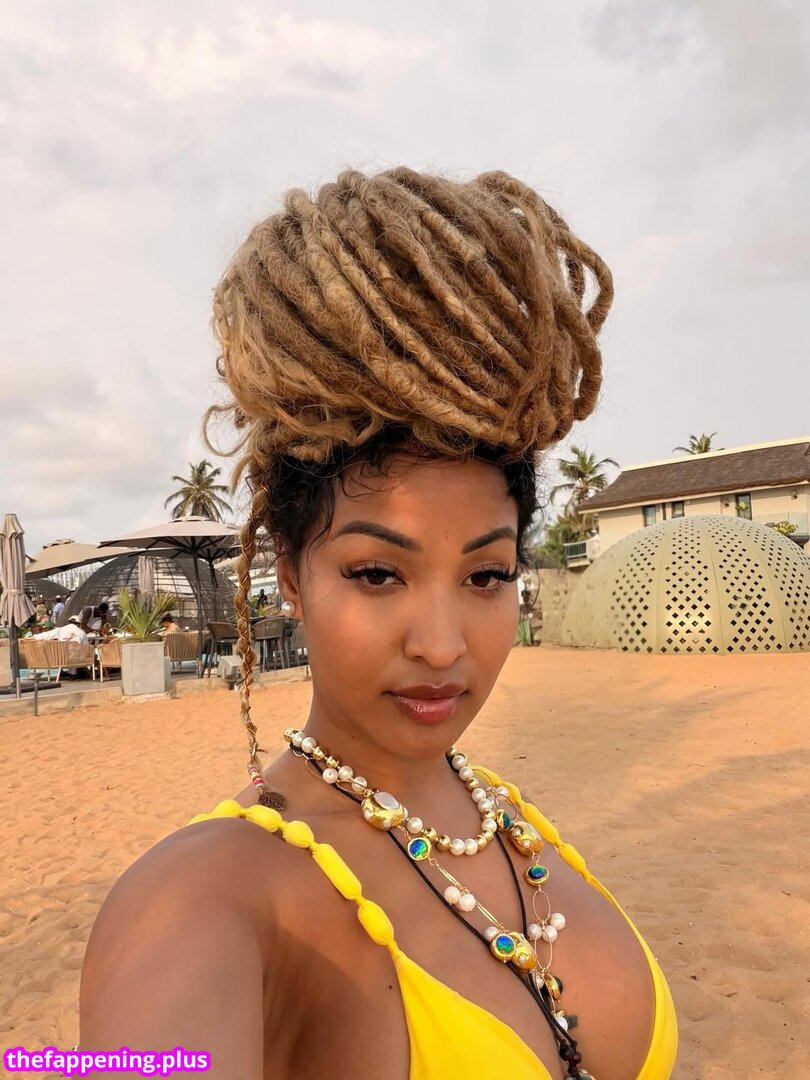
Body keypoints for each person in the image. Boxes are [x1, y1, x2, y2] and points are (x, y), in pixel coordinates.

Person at [80, 168, 677, 1079]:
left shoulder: (515, 825)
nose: (441, 644)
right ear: (290, 572)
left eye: (486, 575)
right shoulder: (203, 901)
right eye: (376, 574)